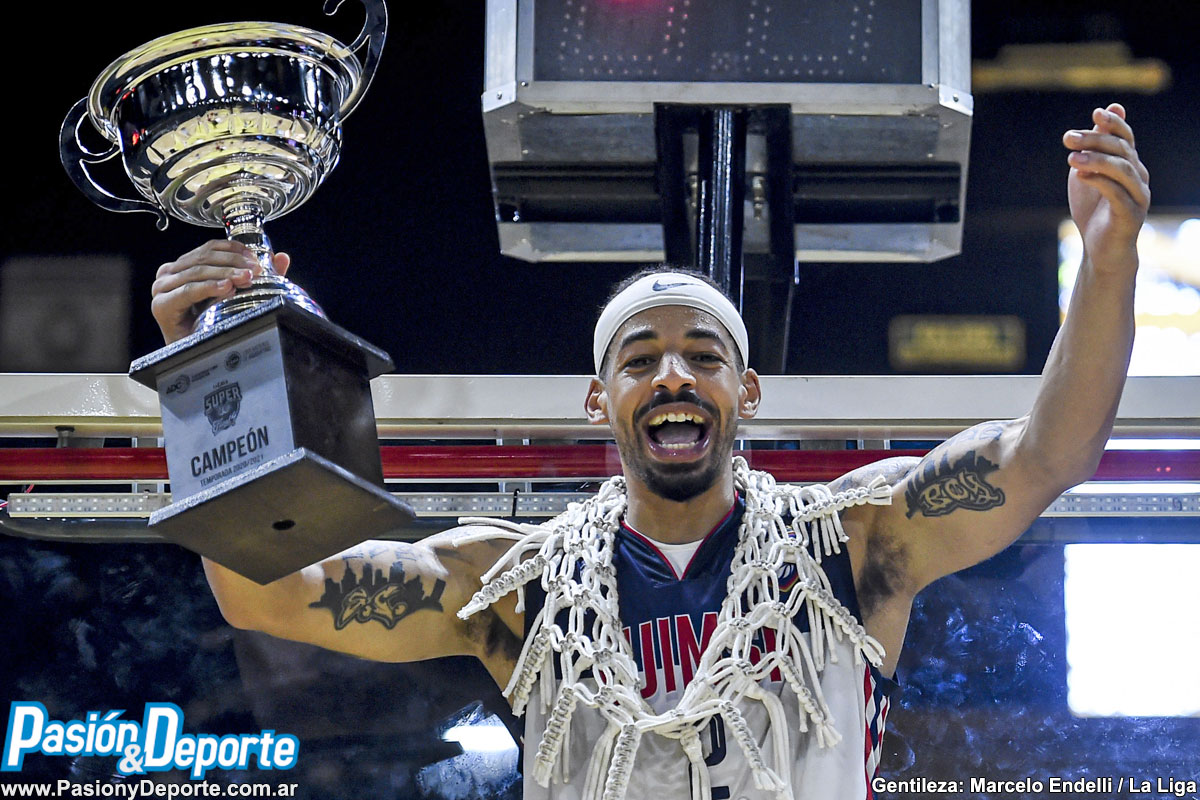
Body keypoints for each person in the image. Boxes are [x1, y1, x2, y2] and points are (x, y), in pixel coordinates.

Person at [150, 105, 1150, 800]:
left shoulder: (855, 540)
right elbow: (270, 594)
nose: (673, 374)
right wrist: (211, 369)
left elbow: (1044, 455)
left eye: (703, 355)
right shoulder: (516, 586)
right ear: (601, 400)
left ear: (745, 392)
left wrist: (1108, 262)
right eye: (641, 360)